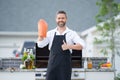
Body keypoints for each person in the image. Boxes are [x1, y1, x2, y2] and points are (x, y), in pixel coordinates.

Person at [37, 10, 85, 80]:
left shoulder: (71, 33)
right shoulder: (50, 33)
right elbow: (40, 45)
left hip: (65, 68)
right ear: (56, 19)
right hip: (52, 66)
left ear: (66, 19)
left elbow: (82, 45)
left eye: (63, 18)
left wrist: (69, 46)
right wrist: (40, 37)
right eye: (59, 18)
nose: (61, 20)